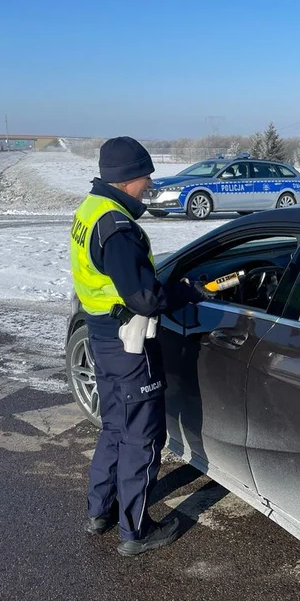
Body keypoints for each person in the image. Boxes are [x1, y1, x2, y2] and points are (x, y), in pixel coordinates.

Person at [70, 136, 211, 557]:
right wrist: (185, 293)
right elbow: (145, 299)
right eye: (145, 174)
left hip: (101, 334)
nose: (150, 181)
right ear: (127, 178)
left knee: (114, 425)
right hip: (128, 342)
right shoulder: (117, 228)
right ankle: (135, 531)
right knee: (141, 436)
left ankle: (100, 511)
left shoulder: (90, 210)